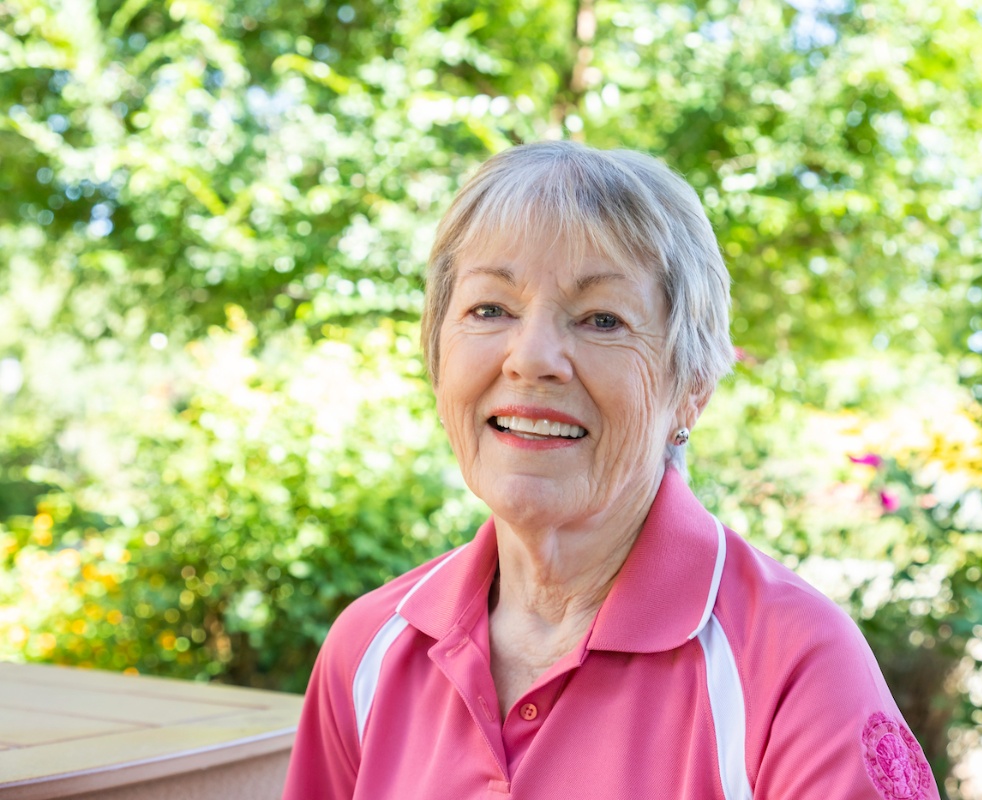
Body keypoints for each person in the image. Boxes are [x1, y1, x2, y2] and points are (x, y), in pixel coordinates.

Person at [282, 141, 935, 799]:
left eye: (601, 319)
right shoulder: (367, 648)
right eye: (490, 309)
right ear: (438, 355)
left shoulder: (795, 667)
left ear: (692, 387)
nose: (532, 357)